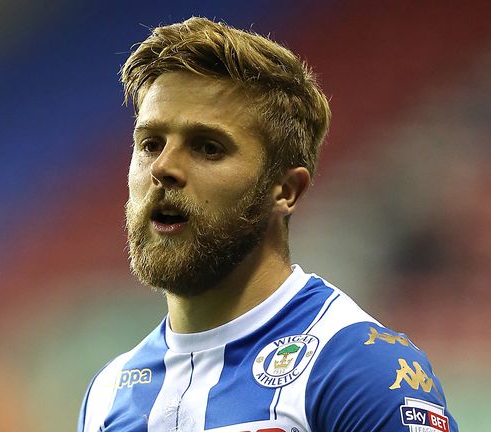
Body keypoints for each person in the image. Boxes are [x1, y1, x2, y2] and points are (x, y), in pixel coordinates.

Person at [78, 17, 457, 432]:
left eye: (208, 148)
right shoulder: (108, 392)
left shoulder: (357, 369)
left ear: (286, 190)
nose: (164, 168)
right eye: (150, 144)